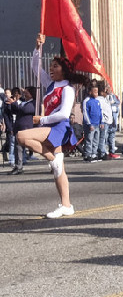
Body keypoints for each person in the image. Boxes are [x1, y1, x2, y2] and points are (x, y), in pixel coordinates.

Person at [17, 34, 86, 218]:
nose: (51, 68)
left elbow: (64, 113)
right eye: (51, 65)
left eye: (55, 66)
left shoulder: (68, 89)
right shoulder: (50, 85)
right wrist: (37, 47)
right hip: (51, 125)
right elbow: (35, 67)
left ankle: (50, 157)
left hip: (59, 127)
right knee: (58, 169)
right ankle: (66, 205)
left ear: (64, 70)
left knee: (22, 137)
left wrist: (42, 120)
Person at [7, 86, 36, 174]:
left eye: (26, 92)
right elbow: (17, 111)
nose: (24, 94)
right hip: (19, 129)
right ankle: (18, 166)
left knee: (37, 147)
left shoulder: (33, 103)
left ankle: (52, 162)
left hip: (27, 129)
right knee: (18, 148)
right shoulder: (24, 102)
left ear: (31, 94)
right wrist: (12, 105)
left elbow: (25, 110)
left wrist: (14, 103)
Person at [82, 84, 102, 162]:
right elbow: (85, 112)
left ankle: (94, 153)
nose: (96, 93)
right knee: (89, 139)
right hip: (91, 124)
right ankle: (88, 154)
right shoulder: (86, 101)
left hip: (97, 124)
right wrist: (89, 123)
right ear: (90, 92)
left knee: (96, 140)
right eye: (95, 92)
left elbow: (100, 112)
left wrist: (101, 122)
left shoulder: (97, 101)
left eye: (97, 92)